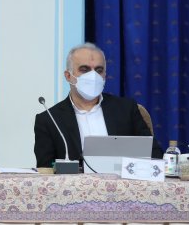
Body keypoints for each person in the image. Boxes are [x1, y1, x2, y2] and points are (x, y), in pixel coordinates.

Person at [34, 42, 163, 168]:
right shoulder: (49, 120)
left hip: (123, 181)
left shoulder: (126, 109)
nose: (93, 75)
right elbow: (45, 169)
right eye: (84, 69)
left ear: (104, 76)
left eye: (99, 70)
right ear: (68, 76)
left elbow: (154, 154)